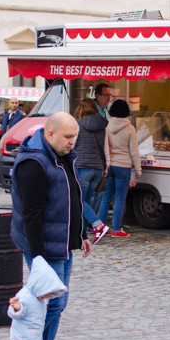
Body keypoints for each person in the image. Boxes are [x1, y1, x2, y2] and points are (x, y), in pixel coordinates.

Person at [1, 112, 92, 340]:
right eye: (67, 137)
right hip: (44, 246)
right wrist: (38, 257)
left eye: (74, 137)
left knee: (55, 304)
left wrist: (82, 233)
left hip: (62, 243)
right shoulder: (34, 163)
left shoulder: (63, 157)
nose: (72, 142)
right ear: (50, 134)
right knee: (49, 305)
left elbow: (72, 198)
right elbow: (31, 214)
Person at [99, 99, 142, 237]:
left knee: (105, 198)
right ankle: (116, 229)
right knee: (119, 198)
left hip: (109, 165)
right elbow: (134, 150)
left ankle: (100, 228)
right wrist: (138, 169)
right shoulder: (130, 128)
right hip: (123, 166)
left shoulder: (106, 126)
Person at [73, 99, 110, 239]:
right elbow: (106, 148)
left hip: (83, 167)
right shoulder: (102, 126)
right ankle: (81, 233)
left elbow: (73, 144)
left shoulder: (77, 124)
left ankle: (98, 225)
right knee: (85, 201)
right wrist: (105, 168)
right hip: (98, 168)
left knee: (78, 200)